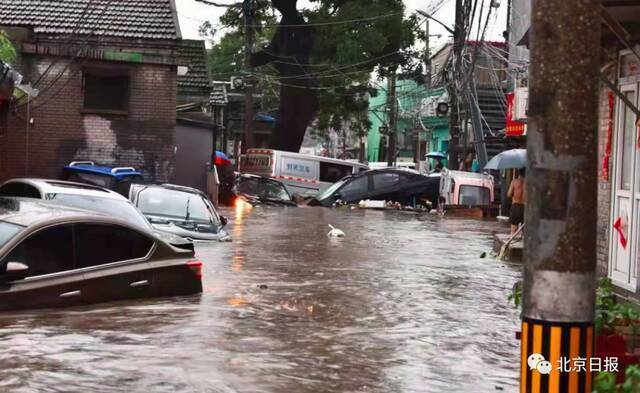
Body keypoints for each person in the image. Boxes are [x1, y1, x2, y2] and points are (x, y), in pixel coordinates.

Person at [250, 0, 318, 153]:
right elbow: (274, 50)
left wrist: (254, 59)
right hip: (290, 84)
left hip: (300, 86)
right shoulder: (286, 22)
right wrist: (254, 59)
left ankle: (283, 160)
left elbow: (281, 52)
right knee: (283, 128)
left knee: (288, 129)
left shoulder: (299, 24)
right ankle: (279, 157)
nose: (276, 6)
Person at [507, 168, 526, 234]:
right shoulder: (529, 183)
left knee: (513, 230)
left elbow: (509, 194)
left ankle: (511, 242)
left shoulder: (514, 182)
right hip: (525, 207)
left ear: (518, 173)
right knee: (525, 231)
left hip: (516, 206)